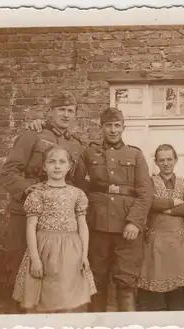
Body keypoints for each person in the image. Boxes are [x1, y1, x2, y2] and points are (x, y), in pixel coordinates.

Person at [0, 93, 84, 307]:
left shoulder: (76, 145)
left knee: (51, 271)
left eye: (70, 111)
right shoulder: (33, 135)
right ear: (51, 112)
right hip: (25, 211)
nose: (66, 114)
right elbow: (8, 172)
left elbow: (78, 181)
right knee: (18, 265)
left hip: (57, 219)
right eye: (61, 110)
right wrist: (31, 190)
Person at [73, 107, 154, 312]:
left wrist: (134, 221)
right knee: (96, 282)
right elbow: (78, 187)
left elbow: (146, 192)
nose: (113, 130)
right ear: (102, 127)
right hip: (97, 227)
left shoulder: (135, 154)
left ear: (123, 127)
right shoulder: (88, 153)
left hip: (127, 229)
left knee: (126, 284)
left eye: (117, 125)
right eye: (108, 125)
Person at [12, 145, 97, 313]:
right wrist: (35, 259)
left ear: (69, 166)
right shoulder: (37, 194)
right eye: (51, 162)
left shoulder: (77, 194)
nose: (57, 166)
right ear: (44, 166)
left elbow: (82, 225)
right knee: (43, 298)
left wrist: (84, 255)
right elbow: (31, 227)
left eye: (61, 162)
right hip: (44, 250)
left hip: (71, 251)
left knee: (68, 297)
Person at [136, 144, 184, 312]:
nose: (166, 163)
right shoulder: (149, 181)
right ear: (156, 162)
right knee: (155, 279)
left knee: (179, 290)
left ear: (176, 160)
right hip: (156, 241)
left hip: (178, 242)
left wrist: (167, 209)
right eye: (161, 160)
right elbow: (149, 202)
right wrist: (173, 203)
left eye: (169, 159)